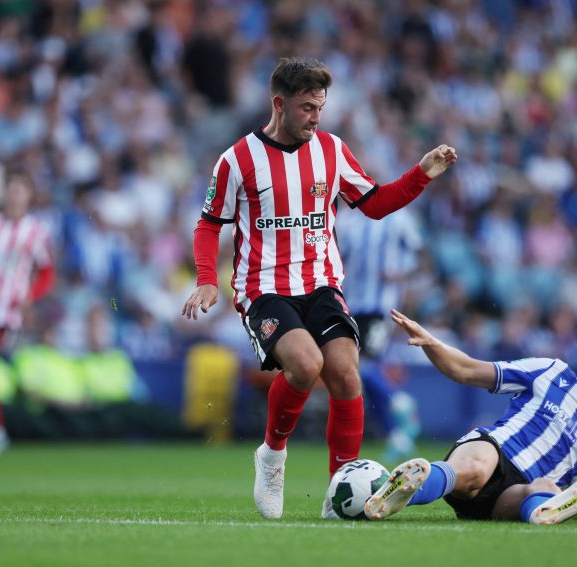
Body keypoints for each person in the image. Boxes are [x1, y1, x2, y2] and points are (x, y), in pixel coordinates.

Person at [181, 56, 457, 519]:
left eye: (320, 108)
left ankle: (340, 489)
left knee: (346, 375)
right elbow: (209, 225)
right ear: (279, 104)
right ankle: (271, 456)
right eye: (307, 107)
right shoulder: (238, 159)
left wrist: (422, 173)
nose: (315, 117)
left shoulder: (331, 150)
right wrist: (208, 280)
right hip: (263, 287)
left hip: (322, 283)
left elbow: (374, 203)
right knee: (305, 366)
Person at [362, 309, 577, 524]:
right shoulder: (549, 371)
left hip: (508, 500)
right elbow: (467, 371)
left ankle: (539, 512)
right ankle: (406, 490)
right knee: (474, 469)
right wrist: (432, 343)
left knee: (547, 489)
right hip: (491, 451)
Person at [0, 169, 55, 463]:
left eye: (20, 190)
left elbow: (47, 271)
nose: (14, 195)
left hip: (2, 314)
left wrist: (30, 295)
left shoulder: (35, 231)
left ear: (29, 196)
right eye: (11, 189)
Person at [337, 206, 423, 463]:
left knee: (362, 366)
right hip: (349, 305)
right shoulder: (345, 220)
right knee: (356, 369)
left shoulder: (398, 216)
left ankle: (400, 403)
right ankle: (397, 432)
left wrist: (400, 277)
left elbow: (423, 257)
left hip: (380, 307)